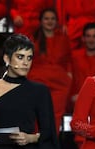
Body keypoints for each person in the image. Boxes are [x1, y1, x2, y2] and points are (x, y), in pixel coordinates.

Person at [29, 8, 72, 136]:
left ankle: (51, 146)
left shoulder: (63, 38)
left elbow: (68, 60)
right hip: (38, 81)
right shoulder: (33, 38)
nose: (49, 21)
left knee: (55, 118)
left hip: (59, 85)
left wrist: (69, 75)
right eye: (46, 18)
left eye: (52, 19)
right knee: (38, 116)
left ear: (57, 21)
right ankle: (37, 146)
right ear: (41, 21)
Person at [70, 22, 95, 149]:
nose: (91, 39)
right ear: (83, 38)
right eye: (88, 36)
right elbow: (70, 80)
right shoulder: (74, 57)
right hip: (78, 100)